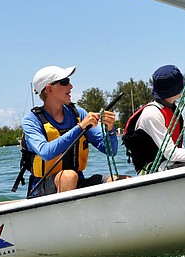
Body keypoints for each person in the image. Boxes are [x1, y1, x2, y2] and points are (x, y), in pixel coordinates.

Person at [20, 65, 119, 197]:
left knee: (121, 181)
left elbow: (110, 150)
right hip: (41, 189)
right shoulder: (31, 121)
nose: (71, 86)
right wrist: (80, 128)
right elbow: (46, 152)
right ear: (50, 88)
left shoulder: (79, 114)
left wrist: (111, 130)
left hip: (78, 181)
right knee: (69, 176)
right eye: (65, 82)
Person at [123, 64, 185, 173]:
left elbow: (176, 151)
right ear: (177, 89)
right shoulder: (152, 114)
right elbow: (170, 153)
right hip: (150, 169)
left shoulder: (171, 110)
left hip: (166, 164)